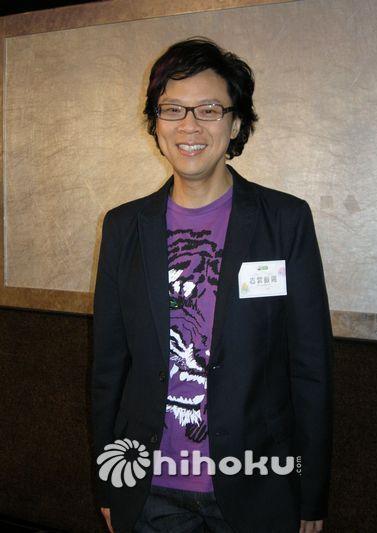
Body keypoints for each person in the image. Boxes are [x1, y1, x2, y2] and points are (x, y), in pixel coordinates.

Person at [92, 37, 333, 533]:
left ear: (236, 123)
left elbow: (310, 368)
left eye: (209, 109)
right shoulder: (123, 227)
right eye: (173, 109)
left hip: (257, 481)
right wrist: (108, 481)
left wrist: (311, 493)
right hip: (150, 488)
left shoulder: (284, 221)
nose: (190, 125)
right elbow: (108, 368)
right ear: (156, 123)